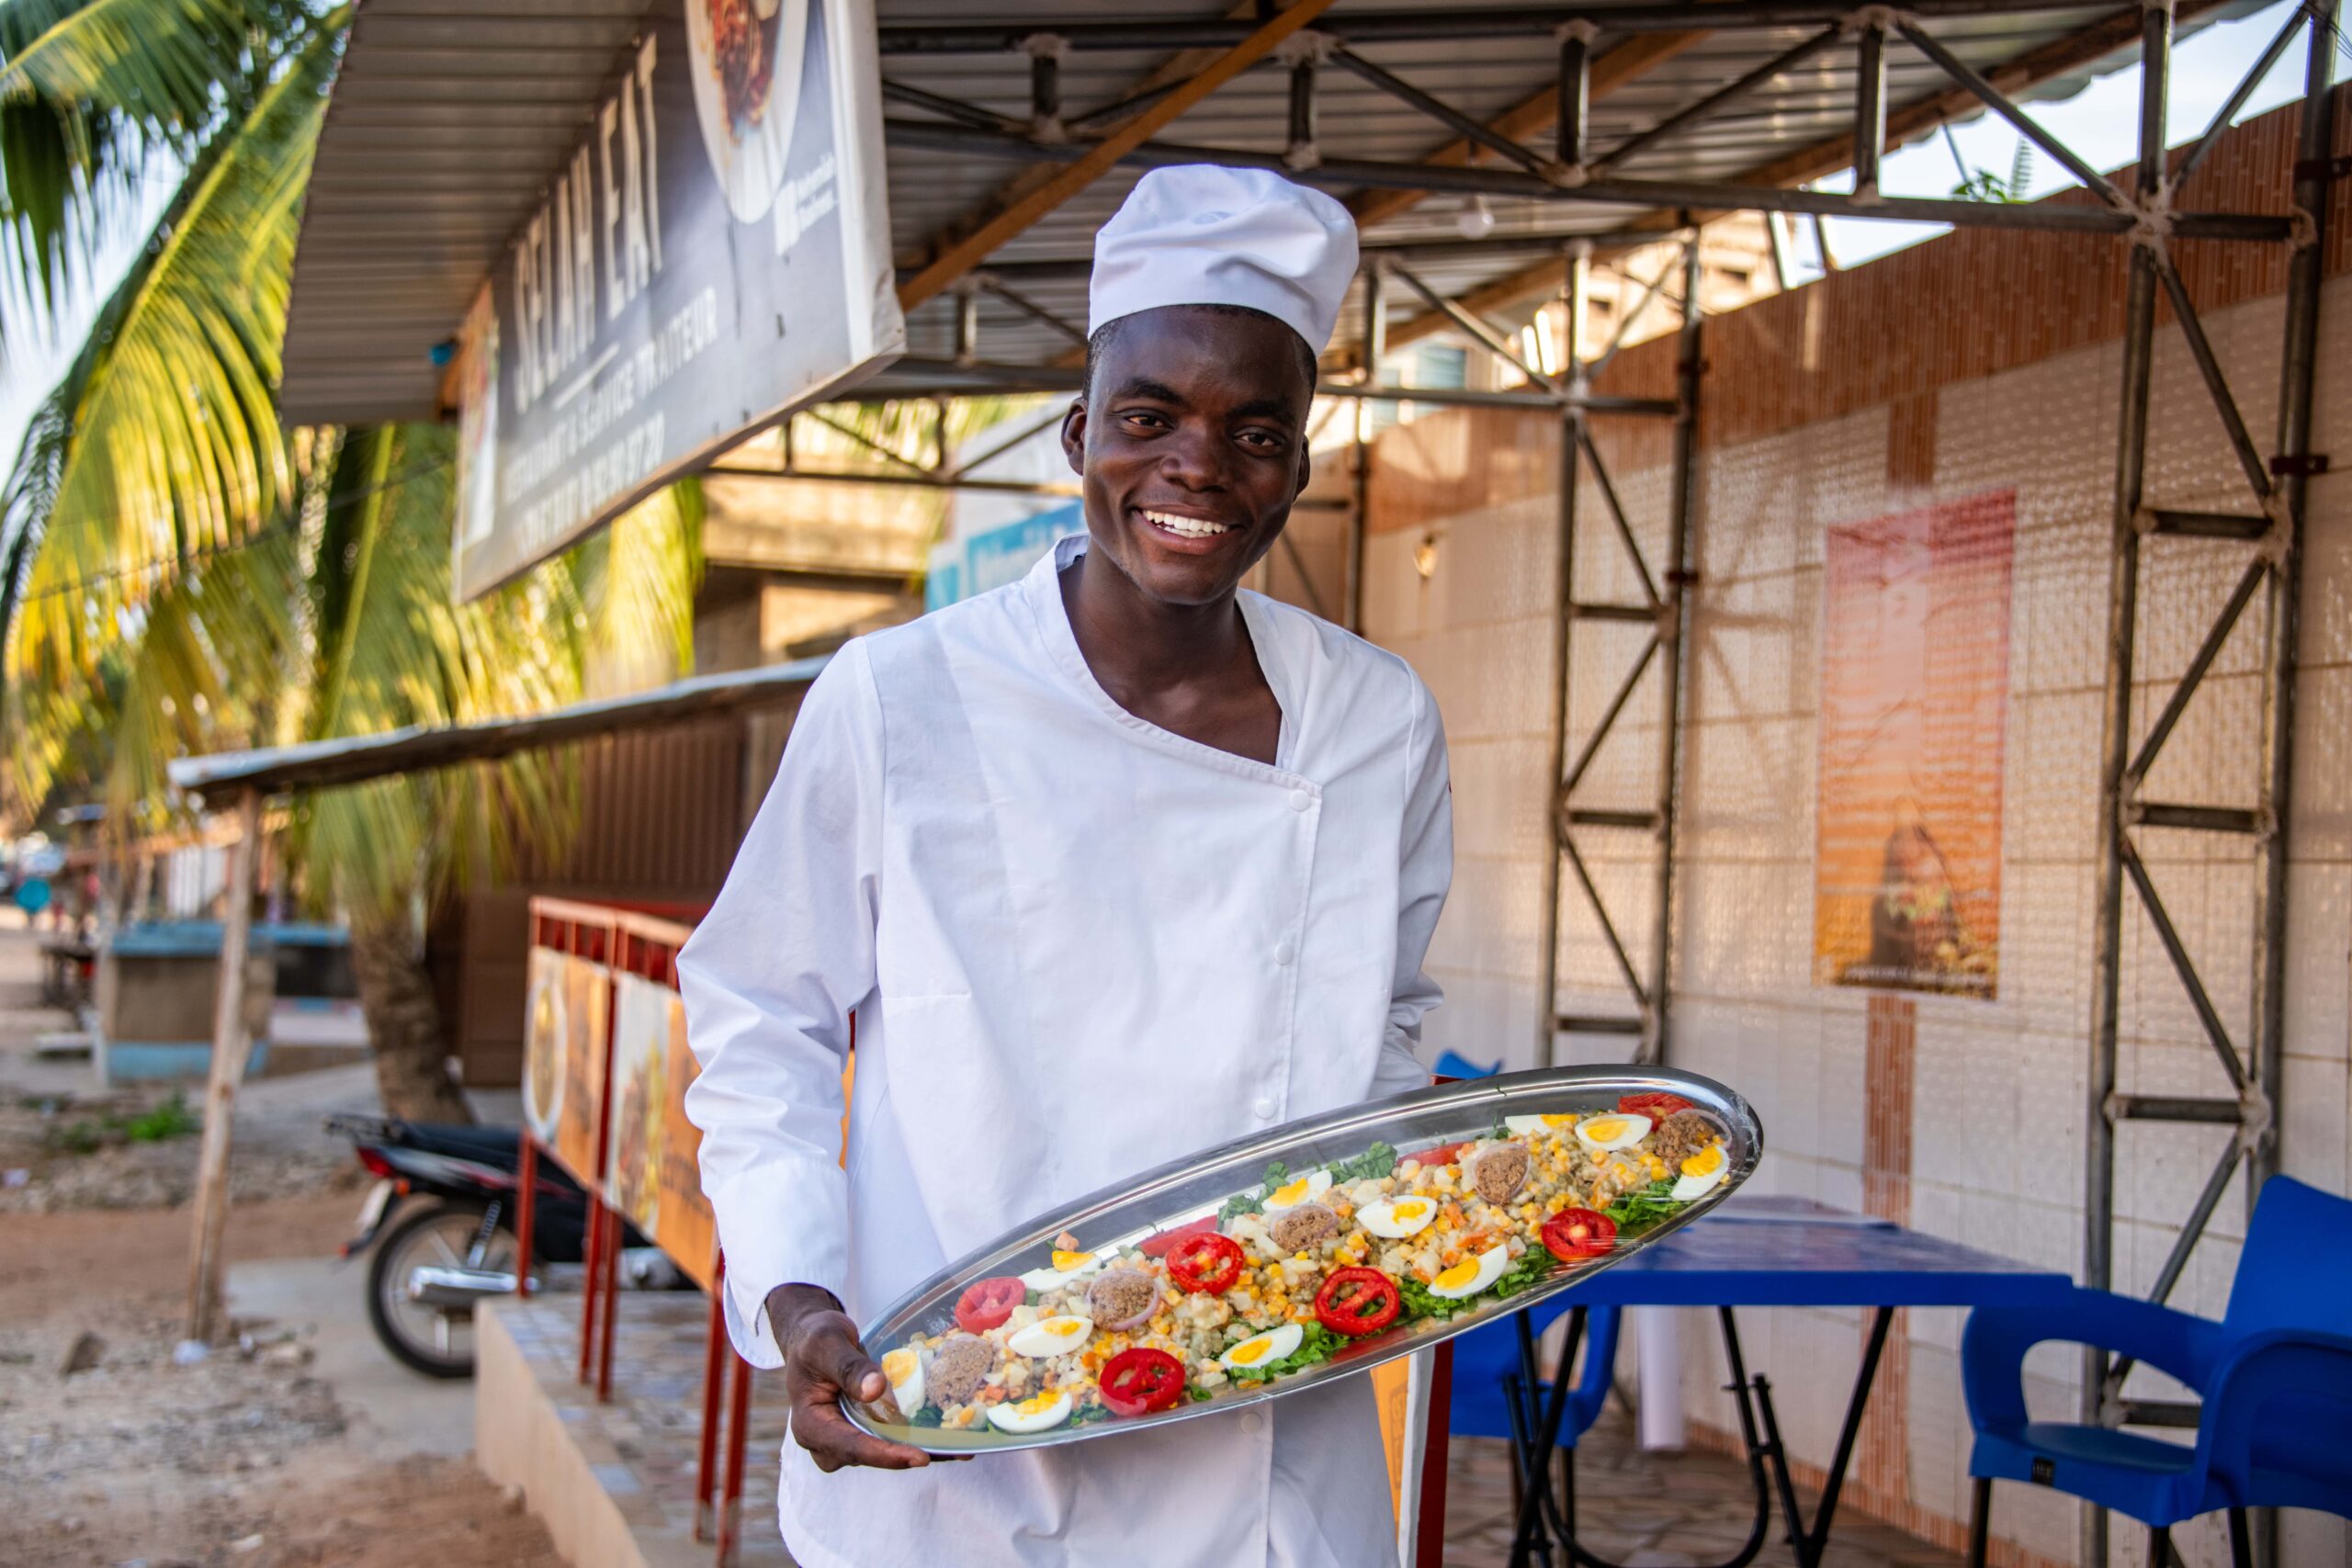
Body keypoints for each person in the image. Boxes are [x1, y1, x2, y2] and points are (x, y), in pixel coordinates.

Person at [679, 164, 1453, 1568]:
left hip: (1264, 1464)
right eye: (1149, 418)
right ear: (1075, 430)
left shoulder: (1374, 719)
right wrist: (799, 1306)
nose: (1198, 470)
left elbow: (1389, 1028)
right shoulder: (902, 696)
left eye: (1255, 430)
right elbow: (757, 1009)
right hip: (951, 1449)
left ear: (1301, 461)